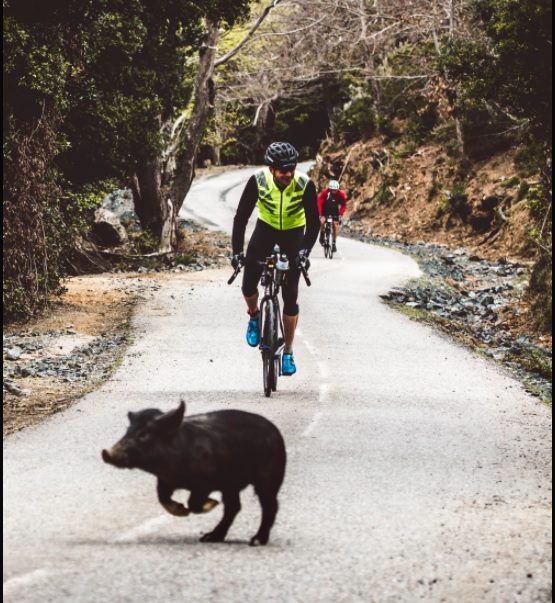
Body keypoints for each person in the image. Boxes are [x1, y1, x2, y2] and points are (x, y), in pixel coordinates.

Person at [231, 142, 319, 376]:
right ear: (271, 169)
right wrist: (236, 252)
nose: (288, 174)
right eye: (283, 170)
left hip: (293, 234)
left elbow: (313, 224)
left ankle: (288, 351)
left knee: (291, 297)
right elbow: (240, 218)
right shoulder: (258, 180)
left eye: (291, 169)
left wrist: (304, 252)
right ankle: (254, 316)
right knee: (248, 284)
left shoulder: (304, 184)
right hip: (266, 230)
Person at [317, 179, 347, 252]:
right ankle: (322, 235)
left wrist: (340, 214)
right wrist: (320, 214)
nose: (334, 191)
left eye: (335, 190)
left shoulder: (341, 194)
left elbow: (343, 205)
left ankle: (333, 243)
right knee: (322, 221)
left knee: (335, 226)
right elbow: (319, 202)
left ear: (337, 189)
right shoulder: (325, 192)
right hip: (325, 210)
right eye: (332, 190)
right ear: (329, 189)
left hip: (334, 211)